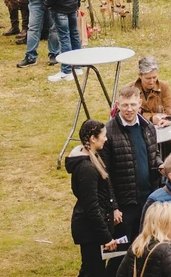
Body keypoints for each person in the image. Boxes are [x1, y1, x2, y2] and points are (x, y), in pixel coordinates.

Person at [104, 85, 163, 244]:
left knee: (149, 245)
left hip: (149, 200)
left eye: (133, 105)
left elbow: (154, 154)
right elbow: (104, 174)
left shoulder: (148, 127)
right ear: (117, 104)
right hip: (125, 205)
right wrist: (114, 207)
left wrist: (160, 166)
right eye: (124, 105)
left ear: (140, 103)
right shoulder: (108, 132)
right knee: (123, 252)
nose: (129, 109)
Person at [68, 119, 121, 277]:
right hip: (90, 231)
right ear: (93, 139)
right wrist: (105, 237)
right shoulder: (87, 170)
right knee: (93, 271)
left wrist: (112, 209)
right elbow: (91, 206)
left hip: (94, 228)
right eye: (103, 136)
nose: (106, 139)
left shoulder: (94, 158)